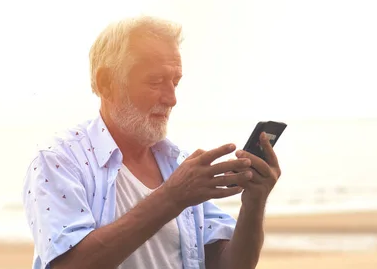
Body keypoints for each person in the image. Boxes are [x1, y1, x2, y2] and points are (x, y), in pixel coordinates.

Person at [22, 15, 281, 269]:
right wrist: (172, 197)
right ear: (106, 83)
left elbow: (227, 265)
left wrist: (254, 203)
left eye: (175, 82)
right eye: (155, 82)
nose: (171, 98)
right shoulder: (59, 160)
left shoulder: (178, 165)